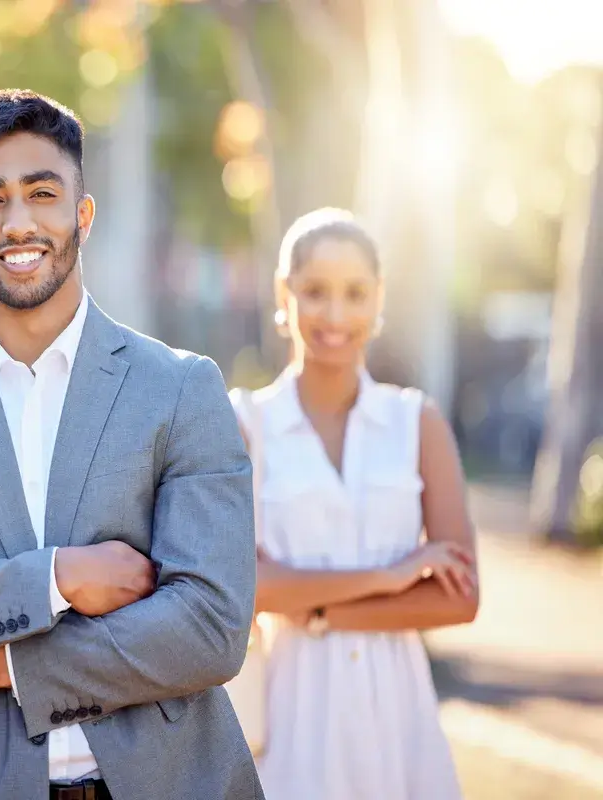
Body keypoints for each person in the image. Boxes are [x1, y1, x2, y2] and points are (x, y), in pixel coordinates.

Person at [0, 89, 263, 800]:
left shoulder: (182, 389)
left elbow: (211, 625)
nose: (19, 223)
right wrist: (56, 579)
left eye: (42, 193)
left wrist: (6, 668)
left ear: (81, 215)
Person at [231, 208, 478, 799]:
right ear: (282, 295)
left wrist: (316, 610)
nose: (335, 315)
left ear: (379, 298)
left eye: (354, 293)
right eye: (314, 292)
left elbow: (460, 597)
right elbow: (245, 585)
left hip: (401, 717)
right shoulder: (244, 423)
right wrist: (391, 576)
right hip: (290, 717)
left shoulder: (416, 421)